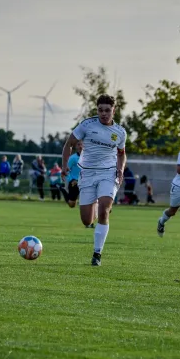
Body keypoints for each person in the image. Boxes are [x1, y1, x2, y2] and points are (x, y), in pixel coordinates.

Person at [62, 94, 127, 266]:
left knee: (105, 209)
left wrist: (120, 169)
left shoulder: (120, 132)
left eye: (107, 110)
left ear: (114, 110)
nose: (104, 114)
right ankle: (97, 205)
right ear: (96, 110)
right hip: (88, 174)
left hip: (108, 173)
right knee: (87, 220)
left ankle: (97, 253)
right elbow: (69, 143)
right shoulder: (87, 125)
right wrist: (64, 165)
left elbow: (121, 154)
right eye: (100, 110)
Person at [59, 140, 83, 208]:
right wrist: (71, 180)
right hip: (74, 182)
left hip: (85, 182)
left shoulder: (88, 157)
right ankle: (62, 189)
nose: (80, 146)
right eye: (78, 145)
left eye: (81, 144)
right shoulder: (73, 158)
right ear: (75, 147)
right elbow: (67, 170)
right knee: (72, 205)